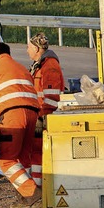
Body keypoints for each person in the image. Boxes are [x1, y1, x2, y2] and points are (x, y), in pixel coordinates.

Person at [0, 42, 41, 208]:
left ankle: (32, 193)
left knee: (7, 160)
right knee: (23, 158)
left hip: (13, 115)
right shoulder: (21, 68)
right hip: (32, 113)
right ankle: (25, 198)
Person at [26, 32, 64, 187]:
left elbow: (52, 96)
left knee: (38, 153)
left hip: (43, 116)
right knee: (35, 153)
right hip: (39, 115)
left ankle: (39, 188)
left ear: (36, 48)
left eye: (28, 47)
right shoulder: (42, 64)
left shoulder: (49, 66)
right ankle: (38, 186)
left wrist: (42, 118)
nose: (27, 51)